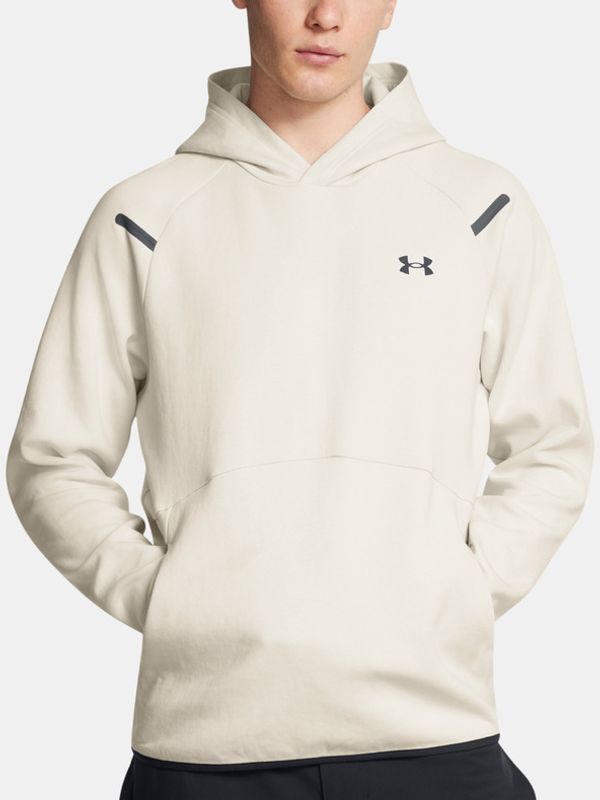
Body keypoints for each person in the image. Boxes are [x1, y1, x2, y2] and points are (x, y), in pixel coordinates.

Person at [5, 1, 594, 798]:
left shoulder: (482, 205)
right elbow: (52, 457)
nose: (326, 15)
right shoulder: (145, 215)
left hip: (434, 731)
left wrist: (454, 593)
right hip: (206, 741)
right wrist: (169, 599)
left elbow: (552, 443)